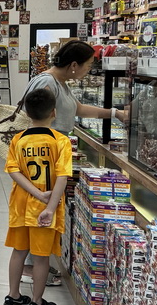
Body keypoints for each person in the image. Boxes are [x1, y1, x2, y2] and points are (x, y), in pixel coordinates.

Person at [18, 40, 128, 286]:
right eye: (88, 65)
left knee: (41, 214)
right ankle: (34, 269)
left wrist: (115, 114)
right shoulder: (47, 82)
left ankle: (35, 265)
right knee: (39, 213)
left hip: (53, 155)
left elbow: (77, 109)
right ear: (74, 65)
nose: (89, 70)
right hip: (43, 160)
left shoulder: (61, 83)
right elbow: (33, 118)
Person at [2, 87, 72, 305]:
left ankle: (13, 297)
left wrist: (34, 193)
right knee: (41, 257)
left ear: (28, 114)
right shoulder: (61, 141)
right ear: (54, 112)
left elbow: (13, 171)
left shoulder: (18, 139)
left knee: (19, 251)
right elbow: (62, 176)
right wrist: (49, 204)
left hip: (21, 205)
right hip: (44, 210)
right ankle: (37, 302)